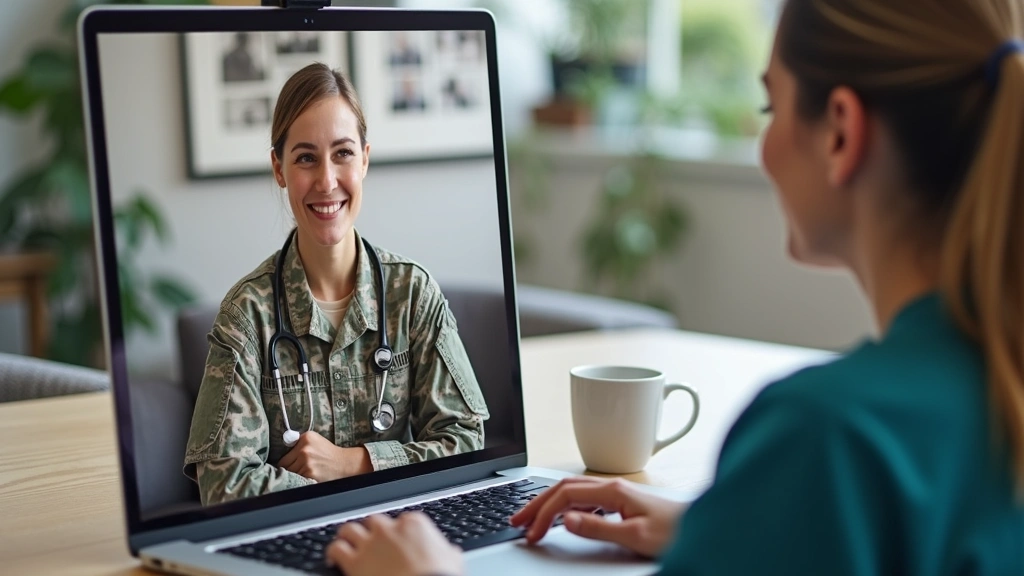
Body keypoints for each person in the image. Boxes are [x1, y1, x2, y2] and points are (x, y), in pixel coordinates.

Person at [321, 0, 1024, 574]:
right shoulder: (998, 387)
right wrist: (733, 529)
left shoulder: (828, 439)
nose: (765, 143)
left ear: (841, 132)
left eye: (770, 109)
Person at [184, 63, 489, 506]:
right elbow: (225, 484)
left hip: (401, 530)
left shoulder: (412, 294)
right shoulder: (246, 316)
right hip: (291, 541)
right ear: (279, 168)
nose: (327, 182)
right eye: (306, 157)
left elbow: (465, 442)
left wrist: (353, 464)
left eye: (342, 153)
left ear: (365, 159)